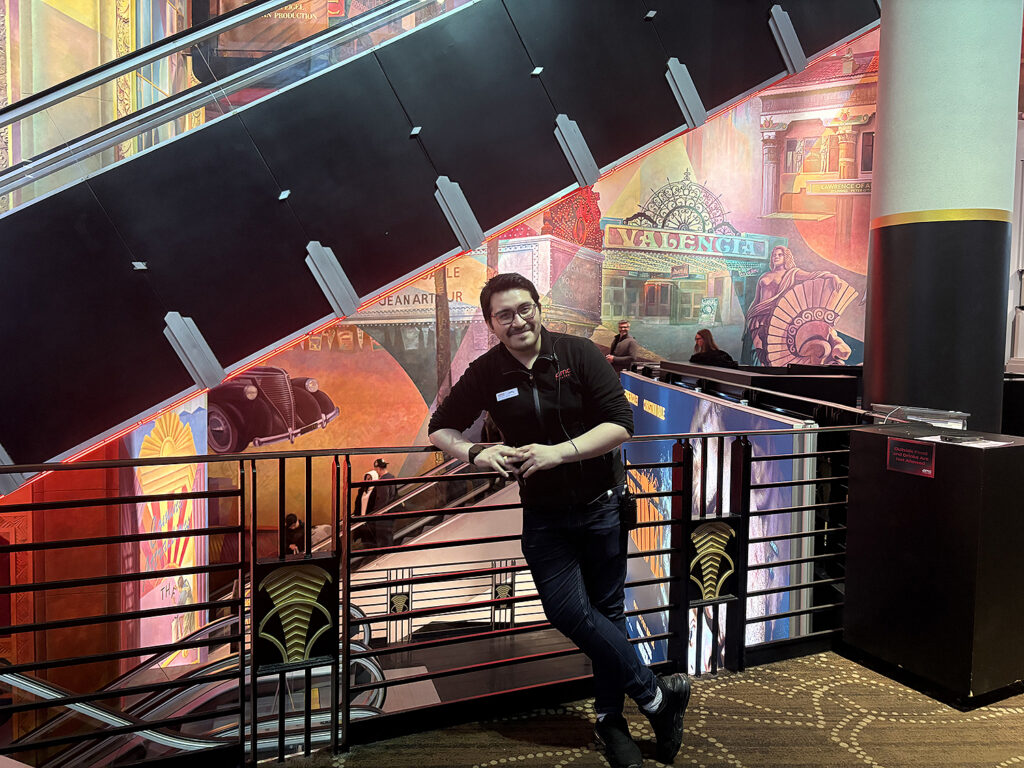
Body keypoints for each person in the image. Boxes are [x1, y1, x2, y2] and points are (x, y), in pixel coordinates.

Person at [428, 273, 690, 768]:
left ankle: (611, 720)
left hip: (602, 505)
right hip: (545, 515)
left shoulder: (579, 354)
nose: (517, 321)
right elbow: (440, 427)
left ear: (538, 308)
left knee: (607, 613)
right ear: (491, 323)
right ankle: (657, 698)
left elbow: (621, 425)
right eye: (504, 315)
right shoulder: (487, 372)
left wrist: (558, 453)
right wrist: (476, 453)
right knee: (568, 612)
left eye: (524, 308)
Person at [745, 245, 840, 365]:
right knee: (757, 349)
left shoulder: (792, 273)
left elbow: (811, 275)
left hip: (776, 317)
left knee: (770, 349)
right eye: (774, 255)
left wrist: (830, 275)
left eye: (780, 255)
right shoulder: (764, 276)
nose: (776, 257)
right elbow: (756, 299)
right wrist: (748, 316)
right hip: (758, 316)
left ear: (786, 257)